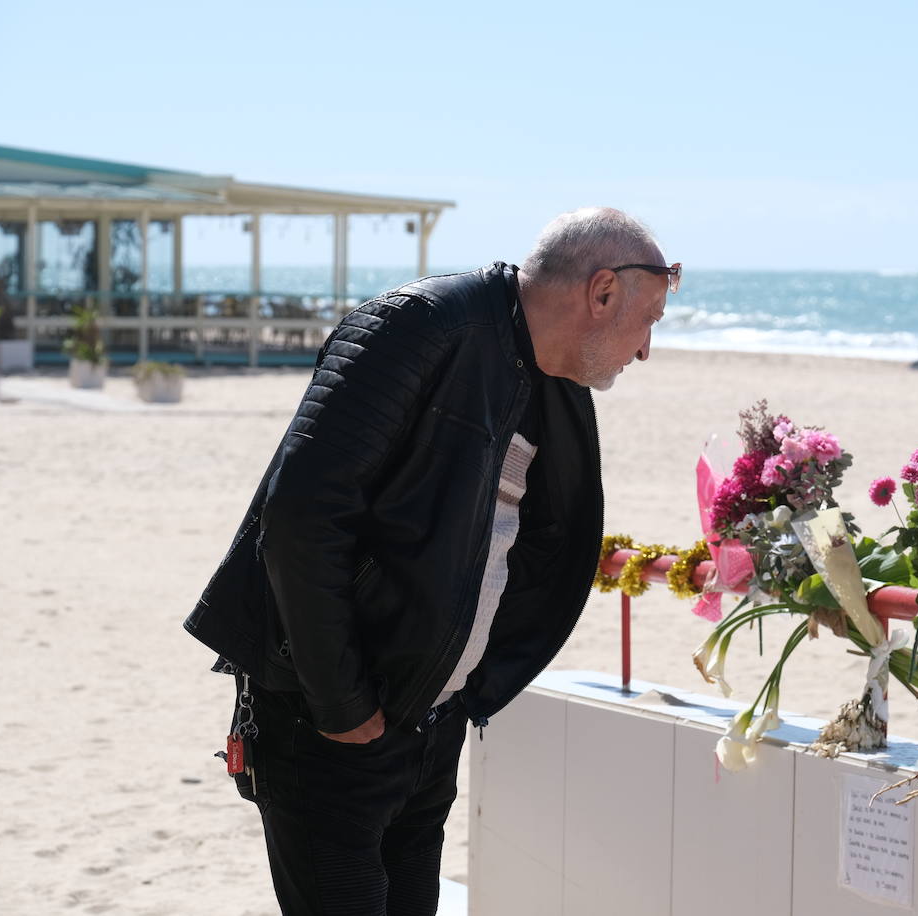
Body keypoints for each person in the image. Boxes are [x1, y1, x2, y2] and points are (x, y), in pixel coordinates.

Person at [183, 207, 678, 914]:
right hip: (330, 722)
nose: (646, 349)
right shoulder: (420, 326)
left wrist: (469, 689)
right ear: (601, 293)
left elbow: (532, 542)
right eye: (648, 320)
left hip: (430, 720)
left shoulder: (554, 378)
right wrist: (341, 702)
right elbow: (301, 516)